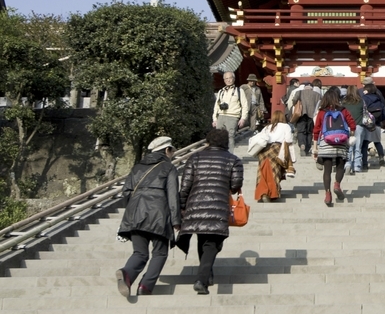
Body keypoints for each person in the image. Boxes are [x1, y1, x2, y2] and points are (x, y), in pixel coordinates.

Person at [177, 128, 244, 294]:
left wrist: (182, 206)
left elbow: (185, 186)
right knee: (212, 243)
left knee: (203, 239)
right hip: (218, 206)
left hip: (195, 206)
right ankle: (201, 279)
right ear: (225, 143)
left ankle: (207, 275)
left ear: (208, 142)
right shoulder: (233, 160)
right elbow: (235, 185)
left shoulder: (195, 158)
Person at [115, 136, 180, 297]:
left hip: (135, 214)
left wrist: (132, 213)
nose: (172, 154)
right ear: (166, 150)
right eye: (172, 151)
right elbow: (173, 195)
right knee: (160, 253)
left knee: (139, 253)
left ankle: (127, 274)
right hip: (159, 215)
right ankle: (145, 286)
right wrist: (176, 220)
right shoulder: (169, 168)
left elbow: (126, 192)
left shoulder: (137, 167)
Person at [312, 87, 357, 206]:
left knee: (327, 170)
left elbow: (316, 130)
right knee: (340, 166)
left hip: (327, 142)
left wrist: (315, 147)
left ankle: (328, 194)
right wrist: (351, 136)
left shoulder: (322, 112)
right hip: (341, 142)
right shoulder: (343, 110)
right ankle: (337, 185)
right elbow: (353, 125)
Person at [254, 109, 296, 203]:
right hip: (277, 149)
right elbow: (288, 140)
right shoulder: (285, 126)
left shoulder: (267, 127)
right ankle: (271, 192)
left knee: (262, 171)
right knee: (274, 171)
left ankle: (262, 192)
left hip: (264, 151)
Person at [212, 71, 249, 152]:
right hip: (221, 116)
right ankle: (219, 154)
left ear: (234, 79)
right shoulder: (221, 91)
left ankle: (230, 155)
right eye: (226, 78)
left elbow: (245, 105)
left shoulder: (239, 91)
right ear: (224, 80)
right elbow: (216, 106)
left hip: (233, 117)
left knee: (230, 137)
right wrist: (214, 119)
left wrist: (243, 118)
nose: (228, 80)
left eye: (230, 78)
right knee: (218, 137)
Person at [359, 77, 385, 170]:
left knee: (365, 144)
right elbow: (383, 109)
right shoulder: (379, 96)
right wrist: (380, 120)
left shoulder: (363, 97)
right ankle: (381, 157)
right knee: (377, 142)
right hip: (377, 122)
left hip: (367, 123)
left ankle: (365, 163)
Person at [290, 79, 322, 154]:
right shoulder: (317, 94)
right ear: (312, 87)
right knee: (309, 132)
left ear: (304, 87)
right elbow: (320, 104)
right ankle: (307, 148)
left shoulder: (299, 92)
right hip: (312, 115)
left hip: (301, 114)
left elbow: (294, 100)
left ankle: (302, 144)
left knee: (301, 131)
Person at [341, 85, 365, 176]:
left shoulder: (343, 102)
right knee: (358, 147)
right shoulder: (361, 101)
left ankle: (347, 164)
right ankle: (357, 166)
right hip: (359, 125)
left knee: (348, 147)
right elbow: (365, 112)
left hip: (347, 126)